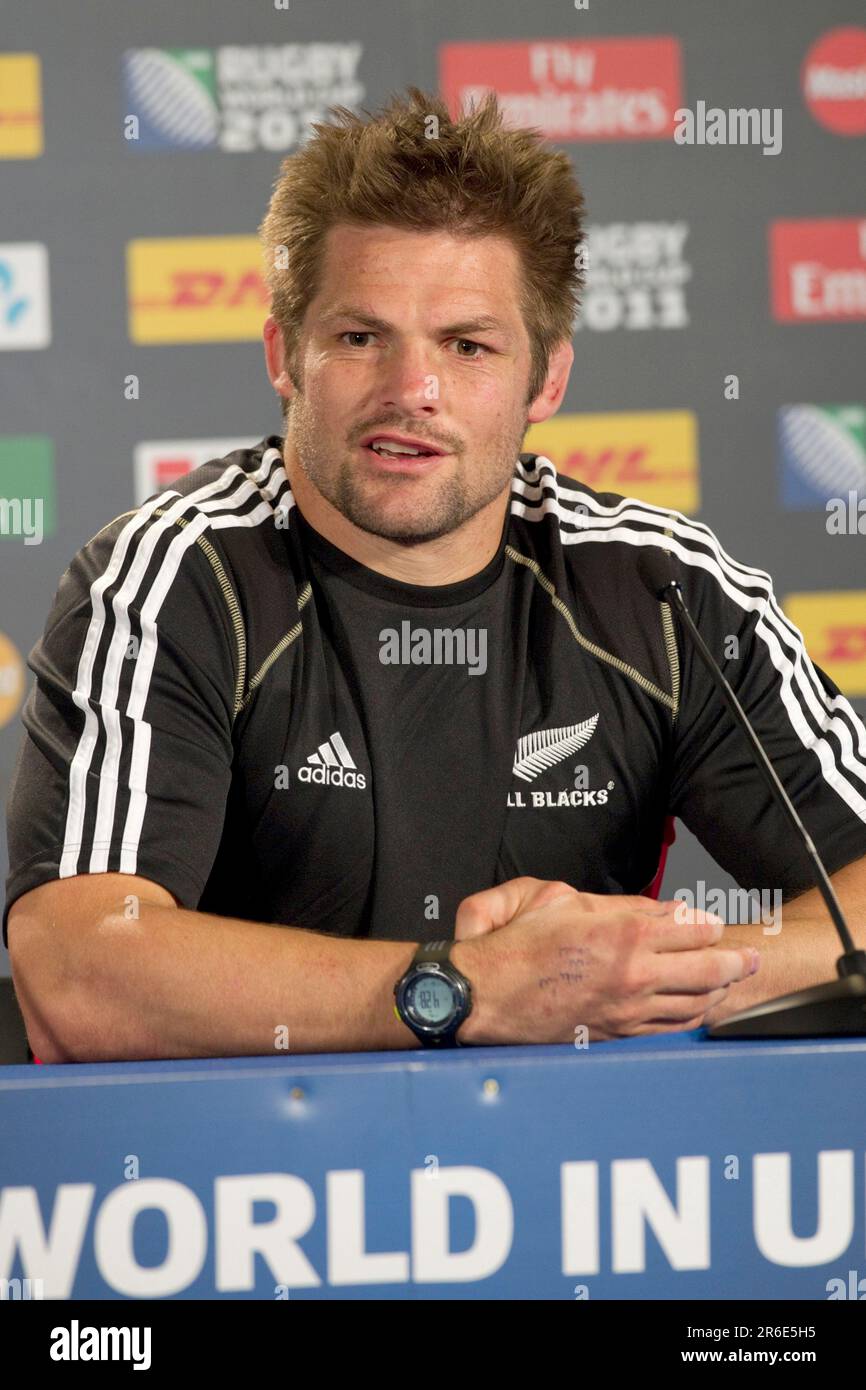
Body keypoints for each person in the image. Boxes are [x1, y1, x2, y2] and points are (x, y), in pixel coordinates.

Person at [5, 88, 866, 1062]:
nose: (411, 392)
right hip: (247, 1188)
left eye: (466, 346)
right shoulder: (169, 580)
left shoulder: (661, 588)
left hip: (582, 1183)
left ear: (546, 380)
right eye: (360, 337)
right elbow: (77, 977)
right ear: (286, 355)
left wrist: (626, 972)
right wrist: (463, 986)